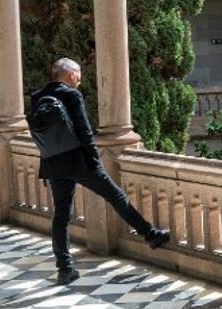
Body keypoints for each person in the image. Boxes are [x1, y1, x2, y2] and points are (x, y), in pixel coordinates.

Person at [31, 58, 170, 285]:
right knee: (116, 196)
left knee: (61, 215)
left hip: (53, 163)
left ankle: (65, 269)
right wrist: (94, 157)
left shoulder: (37, 97)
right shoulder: (72, 95)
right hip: (80, 161)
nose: (80, 79)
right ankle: (151, 234)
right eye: (78, 74)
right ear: (70, 76)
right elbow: (84, 129)